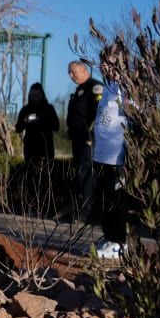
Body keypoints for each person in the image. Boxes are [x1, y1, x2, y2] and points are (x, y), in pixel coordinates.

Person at [91, 44, 130, 259]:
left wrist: (130, 154)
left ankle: (119, 243)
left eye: (109, 62)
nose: (104, 67)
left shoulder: (127, 89)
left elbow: (135, 119)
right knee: (105, 198)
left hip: (118, 155)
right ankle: (108, 237)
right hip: (102, 155)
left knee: (117, 199)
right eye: (103, 62)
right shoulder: (107, 88)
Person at [15, 81, 60, 214]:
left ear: (42, 95)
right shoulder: (26, 109)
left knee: (45, 177)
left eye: (37, 96)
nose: (35, 98)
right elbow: (18, 128)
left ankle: (46, 206)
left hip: (45, 147)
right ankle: (31, 205)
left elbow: (56, 126)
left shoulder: (49, 108)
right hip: (30, 148)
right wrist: (25, 121)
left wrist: (41, 120)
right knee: (31, 177)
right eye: (32, 96)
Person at [66, 60, 102, 221]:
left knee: (87, 174)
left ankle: (87, 212)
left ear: (83, 70)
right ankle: (79, 209)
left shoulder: (94, 87)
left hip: (88, 140)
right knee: (80, 174)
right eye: (70, 72)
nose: (71, 75)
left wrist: (90, 135)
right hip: (78, 139)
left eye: (73, 71)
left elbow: (97, 113)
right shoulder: (80, 89)